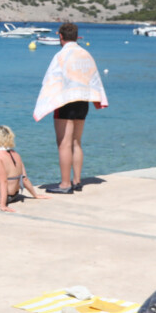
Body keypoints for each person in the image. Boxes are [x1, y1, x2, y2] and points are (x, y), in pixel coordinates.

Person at [32, 22, 108, 194]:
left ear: (60, 36)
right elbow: (94, 78)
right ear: (76, 36)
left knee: (63, 143)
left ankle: (65, 184)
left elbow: (51, 80)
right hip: (83, 101)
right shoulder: (86, 54)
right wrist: (98, 98)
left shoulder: (61, 55)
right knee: (76, 142)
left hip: (66, 101)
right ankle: (77, 181)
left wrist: (45, 103)